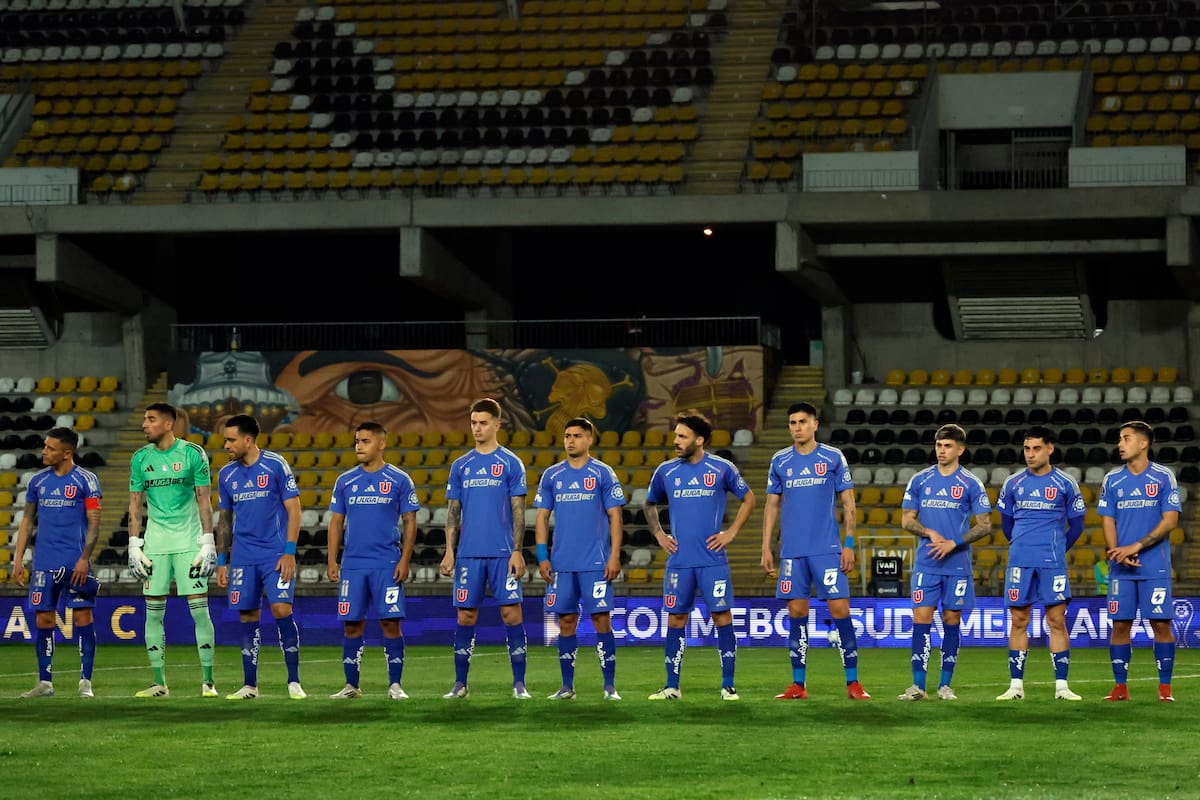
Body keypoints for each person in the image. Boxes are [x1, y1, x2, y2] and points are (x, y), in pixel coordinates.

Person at [761, 401, 870, 701]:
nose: (797, 428)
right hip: (792, 552)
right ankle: (798, 684)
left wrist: (849, 544)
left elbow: (849, 503)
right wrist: (766, 546)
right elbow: (771, 505)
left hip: (826, 549)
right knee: (796, 612)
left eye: (802, 422)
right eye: (792, 423)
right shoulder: (780, 461)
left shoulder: (832, 457)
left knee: (840, 611)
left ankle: (853, 683)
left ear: (815, 425)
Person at [645, 414, 754, 701]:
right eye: (676, 435)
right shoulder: (666, 471)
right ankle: (672, 686)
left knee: (721, 617)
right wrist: (659, 534)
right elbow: (649, 503)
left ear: (699, 440)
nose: (676, 441)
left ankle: (728, 685)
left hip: (712, 560)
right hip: (679, 561)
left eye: (682, 436)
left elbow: (750, 499)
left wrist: (730, 533)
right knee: (676, 619)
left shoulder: (721, 468)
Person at [439, 398, 531, 699]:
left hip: (503, 553)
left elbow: (519, 510)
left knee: (511, 615)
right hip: (468, 555)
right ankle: (460, 684)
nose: (477, 428)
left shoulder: (510, 463)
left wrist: (517, 550)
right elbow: (453, 512)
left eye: (483, 423)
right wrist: (450, 550)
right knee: (465, 617)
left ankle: (519, 684)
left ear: (496, 424)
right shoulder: (461, 465)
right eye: (474, 423)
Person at [128, 402, 218, 698]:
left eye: (151, 419)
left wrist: (208, 541)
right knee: (153, 615)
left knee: (199, 613)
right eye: (144, 419)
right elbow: (134, 505)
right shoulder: (140, 459)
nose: (144, 424)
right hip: (156, 545)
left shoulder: (193, 454)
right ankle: (159, 684)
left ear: (169, 424)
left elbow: (204, 499)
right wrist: (134, 544)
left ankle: (208, 683)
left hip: (188, 542)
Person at [326, 422, 420, 699]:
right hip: (353, 565)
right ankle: (351, 685)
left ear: (381, 443)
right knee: (351, 623)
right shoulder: (345, 481)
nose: (358, 446)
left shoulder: (399, 480)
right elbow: (335, 523)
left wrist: (404, 560)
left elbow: (410, 521)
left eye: (365, 441)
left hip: (386, 563)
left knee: (391, 623)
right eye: (356, 441)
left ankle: (395, 685)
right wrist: (333, 559)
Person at [897, 424, 992, 701]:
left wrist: (954, 542)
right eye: (938, 445)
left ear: (960, 449)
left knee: (952, 619)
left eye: (947, 446)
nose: (941, 450)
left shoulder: (971, 484)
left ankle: (945, 685)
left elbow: (984, 525)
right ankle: (918, 686)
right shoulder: (920, 480)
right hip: (926, 564)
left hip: (957, 564)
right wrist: (929, 532)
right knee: (921, 619)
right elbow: (906, 520)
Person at [215, 414, 306, 700]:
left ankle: (294, 681)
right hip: (243, 557)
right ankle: (249, 685)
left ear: (248, 440)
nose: (226, 445)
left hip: (274, 554)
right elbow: (225, 521)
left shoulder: (275, 465)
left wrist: (289, 552)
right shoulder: (226, 475)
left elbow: (295, 509)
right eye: (225, 440)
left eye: (231, 440)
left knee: (281, 610)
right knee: (248, 615)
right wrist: (221, 561)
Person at [534, 417, 625, 701]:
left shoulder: (603, 473)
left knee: (601, 621)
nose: (570, 441)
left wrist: (614, 556)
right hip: (561, 564)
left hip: (595, 564)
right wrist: (542, 555)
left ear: (589, 439)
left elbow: (615, 516)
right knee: (566, 623)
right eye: (567, 436)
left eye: (576, 436)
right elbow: (541, 517)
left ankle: (609, 686)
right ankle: (566, 687)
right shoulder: (552, 475)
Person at [995, 426, 1086, 701]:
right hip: (1020, 561)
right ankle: (1016, 686)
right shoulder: (1012, 483)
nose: (1030, 454)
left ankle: (1062, 687)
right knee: (1019, 620)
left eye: (1036, 448)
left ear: (1050, 449)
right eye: (1026, 449)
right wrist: (1023, 546)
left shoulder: (1065, 483)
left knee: (1056, 620)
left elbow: (1077, 525)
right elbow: (1006, 524)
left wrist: (1056, 548)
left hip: (1052, 562)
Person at [12, 427, 103, 698]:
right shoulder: (37, 481)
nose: (44, 451)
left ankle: (86, 682)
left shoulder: (87, 480)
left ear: (67, 452)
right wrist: (19, 559)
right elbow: (27, 521)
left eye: (50, 448)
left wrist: (85, 559)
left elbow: (95, 523)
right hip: (43, 563)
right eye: (45, 446)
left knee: (83, 617)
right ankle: (45, 683)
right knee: (43, 619)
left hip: (75, 563)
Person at [1099, 421, 1181, 702]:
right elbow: (1107, 520)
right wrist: (1116, 551)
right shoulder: (1112, 480)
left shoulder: (1163, 477)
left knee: (1160, 625)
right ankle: (1120, 687)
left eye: (1126, 439)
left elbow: (1170, 521)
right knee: (1120, 625)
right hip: (1121, 568)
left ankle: (1165, 689)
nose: (1120, 444)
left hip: (1154, 566)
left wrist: (1135, 546)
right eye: (1120, 439)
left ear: (1143, 443)